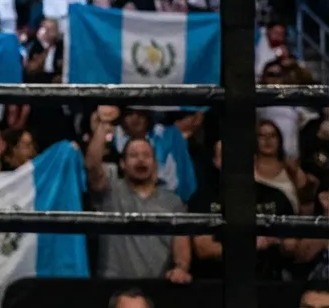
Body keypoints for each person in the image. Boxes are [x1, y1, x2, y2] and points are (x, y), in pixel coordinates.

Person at [86, 106, 190, 282]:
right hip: (113, 286)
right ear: (123, 163)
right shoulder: (110, 190)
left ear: (155, 163)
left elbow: (181, 246)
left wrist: (181, 268)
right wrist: (103, 125)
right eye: (134, 155)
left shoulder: (173, 201)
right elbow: (93, 166)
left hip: (157, 287)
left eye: (146, 155)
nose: (141, 159)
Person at [189, 139, 298, 280]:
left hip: (267, 281)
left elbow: (292, 246)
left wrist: (278, 242)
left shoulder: (277, 197)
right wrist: (250, 246)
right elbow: (203, 248)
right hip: (217, 281)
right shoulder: (203, 199)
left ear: (253, 159)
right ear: (216, 162)